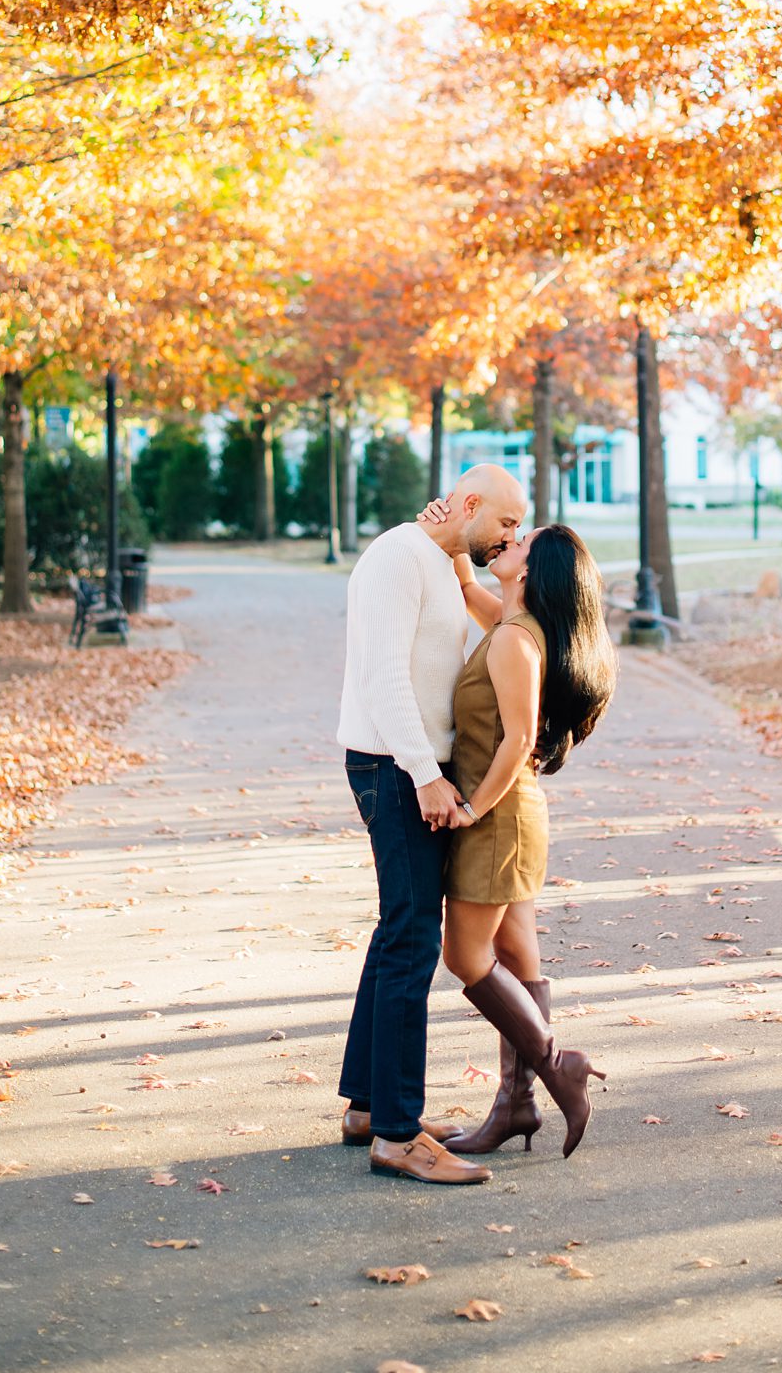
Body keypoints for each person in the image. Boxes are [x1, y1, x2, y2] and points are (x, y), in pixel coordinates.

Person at [336, 463, 528, 1185]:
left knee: (399, 931)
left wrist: (456, 552)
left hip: (413, 766)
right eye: (506, 523)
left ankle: (367, 1107)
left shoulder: (436, 560)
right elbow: (382, 676)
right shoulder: (394, 556)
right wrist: (425, 773)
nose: (511, 536)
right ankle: (396, 1135)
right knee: (414, 938)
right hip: (393, 768)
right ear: (471, 503)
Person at [424, 507, 618, 1158]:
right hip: (516, 814)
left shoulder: (515, 639)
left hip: (500, 817)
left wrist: (474, 810)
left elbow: (519, 738)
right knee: (518, 961)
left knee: (465, 959)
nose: (509, 540)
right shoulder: (508, 622)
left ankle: (557, 1066)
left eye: (521, 539)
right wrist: (456, 527)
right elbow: (465, 585)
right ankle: (515, 1107)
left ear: (535, 570)